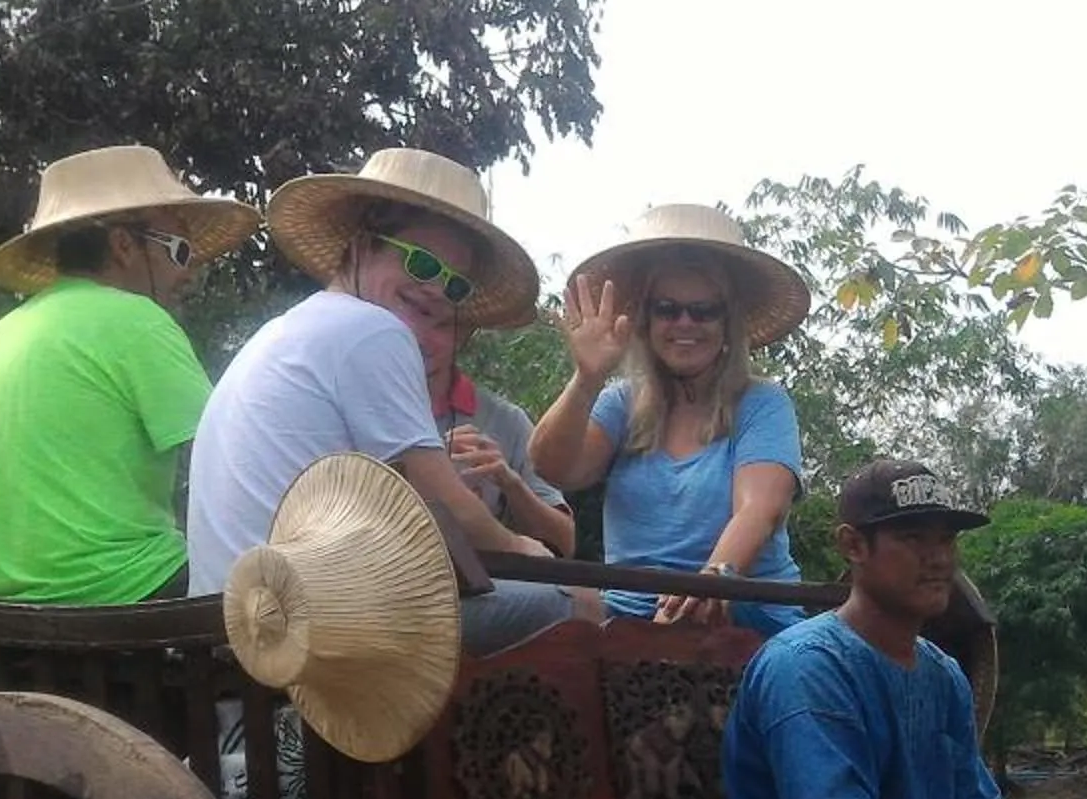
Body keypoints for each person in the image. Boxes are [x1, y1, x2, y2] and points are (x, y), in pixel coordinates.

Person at [184, 148, 592, 653]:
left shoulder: (293, 328)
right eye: (421, 262)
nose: (436, 289)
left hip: (240, 623)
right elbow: (448, 507)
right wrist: (521, 548)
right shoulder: (371, 330)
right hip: (305, 625)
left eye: (454, 283)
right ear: (361, 247)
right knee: (576, 604)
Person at [723, 459, 1049, 799]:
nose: (938, 558)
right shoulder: (806, 665)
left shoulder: (945, 675)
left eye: (946, 540)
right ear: (852, 545)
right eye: (913, 538)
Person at [0, 145, 259, 604]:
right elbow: (233, 460)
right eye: (179, 249)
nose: (188, 271)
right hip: (117, 595)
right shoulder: (136, 320)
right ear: (124, 246)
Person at [529, 204, 812, 635]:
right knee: (531, 614)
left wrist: (710, 582)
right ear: (646, 317)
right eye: (667, 308)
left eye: (704, 310)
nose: (685, 323)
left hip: (740, 604)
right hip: (626, 607)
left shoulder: (763, 403)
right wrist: (587, 378)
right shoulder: (621, 403)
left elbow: (760, 510)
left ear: (727, 320)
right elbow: (555, 467)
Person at [427, 315, 574, 558]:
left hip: (478, 585)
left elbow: (564, 543)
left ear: (464, 333)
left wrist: (510, 483)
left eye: (440, 322)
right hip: (370, 574)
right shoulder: (359, 395)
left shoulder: (506, 419)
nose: (420, 334)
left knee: (581, 595)